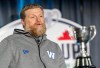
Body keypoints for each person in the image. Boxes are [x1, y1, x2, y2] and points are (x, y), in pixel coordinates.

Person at [0, 4, 66, 68]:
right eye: (33, 17)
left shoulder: (54, 47)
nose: (38, 20)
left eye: (41, 16)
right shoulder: (10, 43)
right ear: (23, 22)